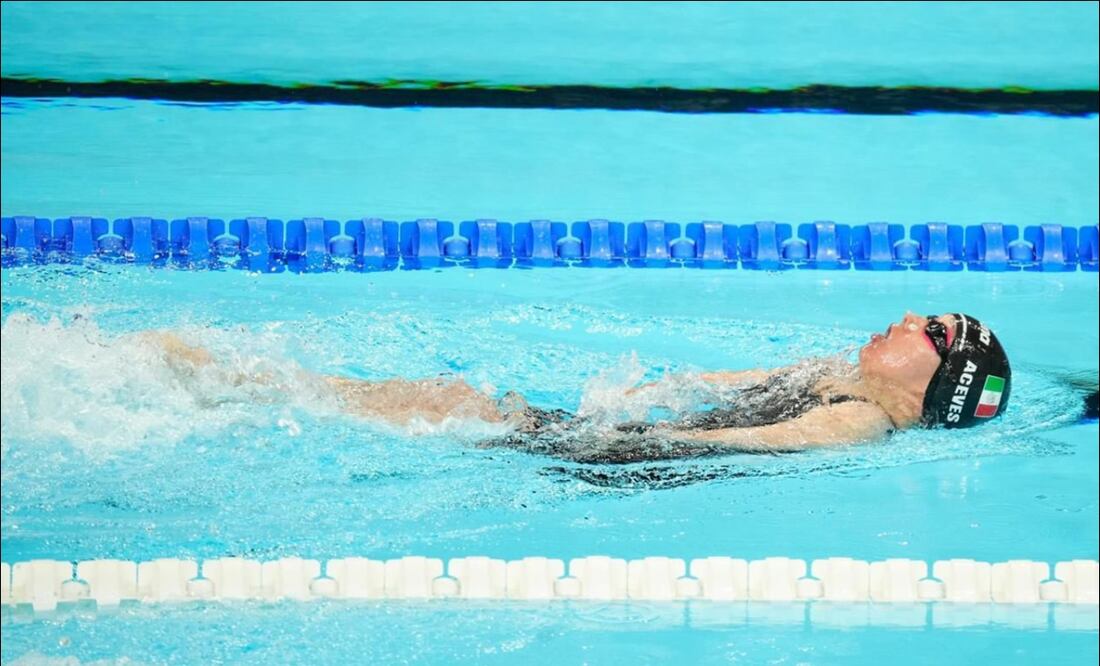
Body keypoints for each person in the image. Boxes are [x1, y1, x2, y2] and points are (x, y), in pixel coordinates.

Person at [143, 311, 1015, 464]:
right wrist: (639, 401)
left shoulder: (858, 423)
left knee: (464, 412)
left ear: (941, 381)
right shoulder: (831, 374)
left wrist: (610, 436)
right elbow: (703, 387)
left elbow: (742, 443)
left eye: (932, 333)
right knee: (457, 400)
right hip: (619, 437)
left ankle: (244, 389)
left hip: (619, 461)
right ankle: (246, 386)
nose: (909, 317)